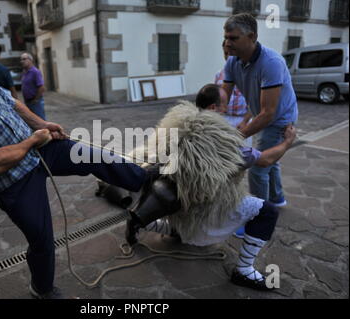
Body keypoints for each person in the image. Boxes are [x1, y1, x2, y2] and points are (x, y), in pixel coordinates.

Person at [0, 32, 156, 299]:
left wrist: (42, 125)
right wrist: (33, 140)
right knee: (42, 240)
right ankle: (42, 290)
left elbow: (12, 103)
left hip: (41, 149)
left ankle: (145, 181)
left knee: (95, 155)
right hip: (13, 182)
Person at [124, 84, 296, 291]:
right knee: (267, 212)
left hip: (175, 208)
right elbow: (266, 160)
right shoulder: (226, 144)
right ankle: (244, 270)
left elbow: (149, 158)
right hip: (206, 213)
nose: (226, 110)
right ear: (214, 108)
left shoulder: (171, 127)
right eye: (225, 105)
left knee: (182, 212)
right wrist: (287, 142)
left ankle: (143, 222)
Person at [222, 13, 298, 207]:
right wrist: (207, 120)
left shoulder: (271, 62)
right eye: (226, 37)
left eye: (233, 38)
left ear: (252, 37)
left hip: (279, 119)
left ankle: (259, 216)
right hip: (261, 114)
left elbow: (268, 113)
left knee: (258, 166)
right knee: (271, 160)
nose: (227, 43)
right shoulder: (232, 61)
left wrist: (238, 135)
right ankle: (277, 199)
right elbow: (223, 98)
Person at [215, 40, 252, 148]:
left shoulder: (249, 75)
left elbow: (256, 101)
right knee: (225, 152)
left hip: (243, 119)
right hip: (225, 118)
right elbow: (217, 99)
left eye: (230, 53)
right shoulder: (219, 74)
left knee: (243, 153)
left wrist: (245, 121)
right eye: (225, 53)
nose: (228, 57)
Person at [20, 52, 46, 120]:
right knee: (33, 122)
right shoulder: (24, 72)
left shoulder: (35, 72)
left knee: (40, 121)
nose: (22, 61)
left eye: (24, 59)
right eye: (21, 59)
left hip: (35, 102)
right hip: (28, 102)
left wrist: (36, 99)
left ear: (30, 60)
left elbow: (41, 87)